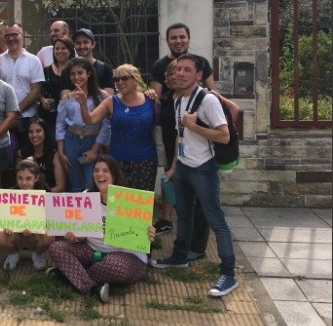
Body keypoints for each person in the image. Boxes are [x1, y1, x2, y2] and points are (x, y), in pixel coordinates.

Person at [150, 54, 239, 298]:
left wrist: (194, 126)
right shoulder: (179, 99)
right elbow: (181, 137)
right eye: (178, 69)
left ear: (198, 75)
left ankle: (228, 274)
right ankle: (180, 256)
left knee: (216, 220)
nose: (180, 74)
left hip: (203, 168)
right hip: (183, 167)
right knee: (185, 215)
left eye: (187, 70)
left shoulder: (208, 100)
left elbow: (224, 136)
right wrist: (173, 167)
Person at [48, 155, 157, 303]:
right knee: (56, 247)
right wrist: (75, 237)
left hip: (127, 257)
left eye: (105, 171)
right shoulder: (86, 196)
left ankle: (68, 275)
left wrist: (149, 233)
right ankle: (92, 288)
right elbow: (83, 233)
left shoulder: (130, 200)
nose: (100, 174)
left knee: (114, 265)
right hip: (93, 252)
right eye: (96, 170)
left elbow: (143, 233)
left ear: (114, 175)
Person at [147, 22, 220, 235]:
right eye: (174, 37)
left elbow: (213, 91)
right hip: (171, 129)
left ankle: (199, 223)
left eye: (182, 37)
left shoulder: (200, 62)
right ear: (167, 40)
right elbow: (155, 98)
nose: (178, 41)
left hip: (197, 130)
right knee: (170, 174)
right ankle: (166, 218)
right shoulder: (160, 65)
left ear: (189, 39)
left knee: (198, 175)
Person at [77, 64, 158, 193]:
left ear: (135, 79)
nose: (119, 82)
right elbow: (90, 120)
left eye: (124, 78)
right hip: (117, 161)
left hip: (145, 161)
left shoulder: (151, 99)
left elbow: (160, 125)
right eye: (116, 79)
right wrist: (83, 104)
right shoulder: (111, 101)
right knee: (118, 202)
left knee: (142, 202)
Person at [55, 58, 111, 192]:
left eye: (80, 73)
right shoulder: (67, 98)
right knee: (76, 183)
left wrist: (94, 150)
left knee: (92, 182)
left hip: (92, 142)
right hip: (72, 143)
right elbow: (60, 124)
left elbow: (106, 125)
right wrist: (61, 151)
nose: (76, 77)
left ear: (88, 74)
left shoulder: (102, 96)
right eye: (72, 74)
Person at [0, 159, 55, 271]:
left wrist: (36, 228)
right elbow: (2, 218)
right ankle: (13, 254)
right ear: (16, 178)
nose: (24, 183)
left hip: (35, 236)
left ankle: (37, 254)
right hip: (15, 236)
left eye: (28, 178)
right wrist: (6, 226)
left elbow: (51, 219)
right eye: (20, 178)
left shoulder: (46, 193)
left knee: (50, 234)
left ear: (36, 178)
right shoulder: (9, 194)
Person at [0, 23, 45, 152]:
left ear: (22, 35)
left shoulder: (33, 60)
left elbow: (36, 90)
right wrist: (7, 115)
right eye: (7, 35)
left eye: (14, 34)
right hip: (3, 118)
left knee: (27, 153)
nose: (11, 38)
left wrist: (15, 113)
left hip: (28, 118)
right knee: (7, 154)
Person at [38, 36, 75, 142]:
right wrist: (42, 100)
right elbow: (38, 91)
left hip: (70, 117)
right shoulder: (47, 70)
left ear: (70, 50)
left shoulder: (75, 71)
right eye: (56, 49)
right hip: (49, 117)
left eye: (63, 48)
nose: (59, 51)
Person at [17, 117, 67, 194]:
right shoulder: (21, 153)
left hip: (49, 195)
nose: (34, 135)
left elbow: (61, 187)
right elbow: (18, 181)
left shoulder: (54, 155)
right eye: (31, 132)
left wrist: (39, 195)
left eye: (38, 131)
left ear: (45, 132)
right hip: (27, 196)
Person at [72, 29, 114, 95]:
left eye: (85, 42)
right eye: (78, 43)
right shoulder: (69, 69)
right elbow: (65, 97)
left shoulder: (105, 69)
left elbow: (109, 96)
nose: (82, 46)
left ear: (93, 44)